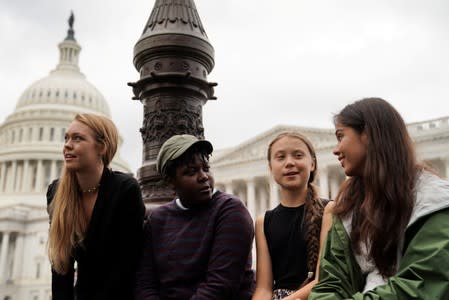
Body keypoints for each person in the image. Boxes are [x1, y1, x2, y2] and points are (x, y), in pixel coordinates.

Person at [309, 97, 449, 299]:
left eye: (341, 137)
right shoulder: (348, 211)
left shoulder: (435, 203)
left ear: (368, 134)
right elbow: (329, 283)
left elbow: (420, 286)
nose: (336, 149)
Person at [135, 134, 255, 299]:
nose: (204, 176)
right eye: (191, 172)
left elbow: (220, 285)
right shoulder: (157, 220)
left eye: (206, 168)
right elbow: (145, 284)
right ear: (171, 182)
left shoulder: (230, 210)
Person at [46, 113, 145, 299]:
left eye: (78, 138)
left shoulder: (124, 189)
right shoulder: (56, 191)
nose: (67, 145)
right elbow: (60, 267)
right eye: (66, 138)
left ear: (101, 147)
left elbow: (127, 263)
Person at [252, 132, 333, 300]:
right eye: (280, 157)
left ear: (312, 164)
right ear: (270, 168)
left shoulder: (329, 210)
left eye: (298, 155)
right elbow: (263, 288)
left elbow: (323, 279)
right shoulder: (263, 222)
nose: (289, 163)